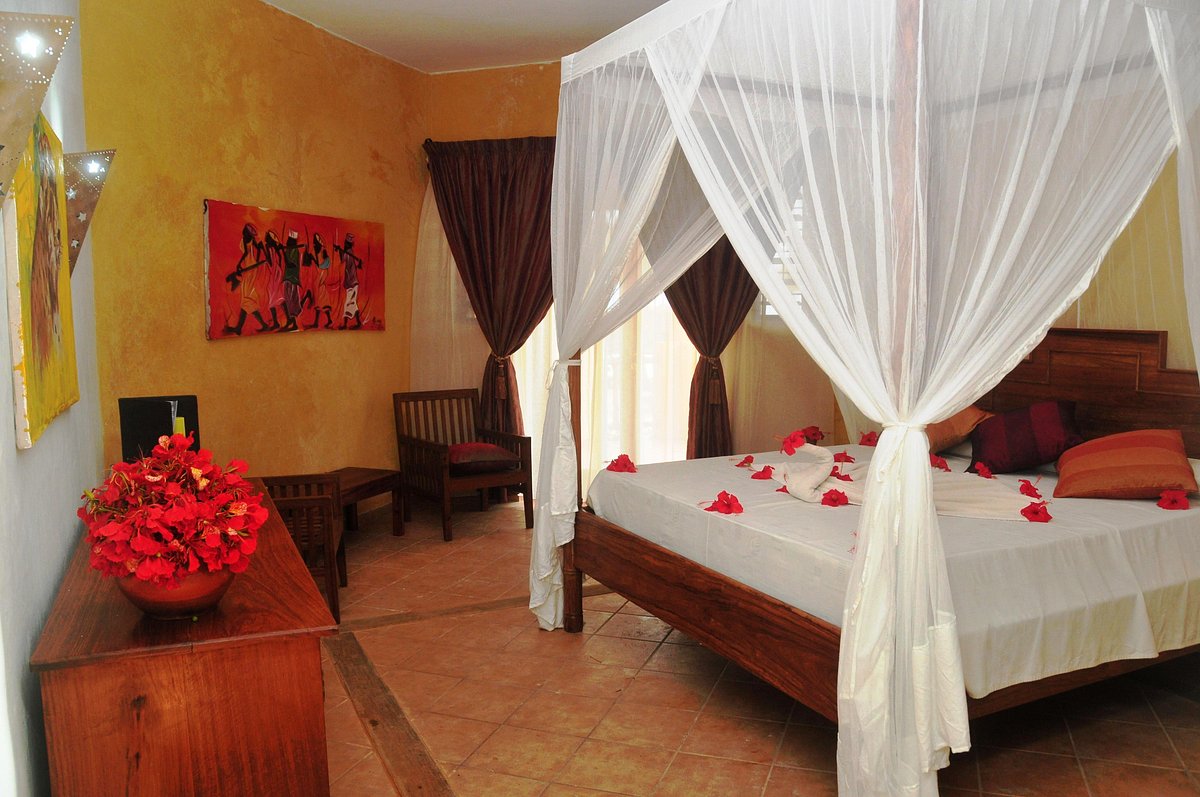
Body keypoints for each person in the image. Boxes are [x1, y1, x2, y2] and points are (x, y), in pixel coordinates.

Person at [222, 223, 272, 336]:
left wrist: (239, 264)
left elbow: (246, 253)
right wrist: (259, 257)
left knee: (246, 298)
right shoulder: (250, 240)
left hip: (250, 268)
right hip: (250, 268)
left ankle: (240, 328)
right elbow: (258, 248)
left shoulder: (246, 240)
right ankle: (242, 328)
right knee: (247, 299)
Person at [303, 231, 334, 329]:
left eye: (318, 240)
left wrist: (314, 260)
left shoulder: (323, 251)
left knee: (321, 302)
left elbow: (323, 265)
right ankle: (318, 322)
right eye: (316, 240)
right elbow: (307, 263)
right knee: (318, 303)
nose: (317, 242)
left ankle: (327, 320)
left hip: (320, 279)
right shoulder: (314, 251)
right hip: (316, 279)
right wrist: (307, 253)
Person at [335, 232, 364, 329]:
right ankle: (358, 323)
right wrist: (340, 251)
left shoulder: (349, 252)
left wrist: (340, 251)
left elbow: (344, 260)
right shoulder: (348, 252)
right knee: (352, 304)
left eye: (346, 243)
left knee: (348, 303)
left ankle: (345, 324)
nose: (345, 244)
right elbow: (343, 259)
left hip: (352, 283)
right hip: (351, 282)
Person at [279, 230, 303, 331]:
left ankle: (294, 324)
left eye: (289, 240)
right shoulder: (289, 250)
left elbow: (290, 264)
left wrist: (283, 252)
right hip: (288, 278)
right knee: (288, 301)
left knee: (291, 302)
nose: (287, 241)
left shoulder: (294, 251)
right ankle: (291, 322)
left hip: (292, 279)